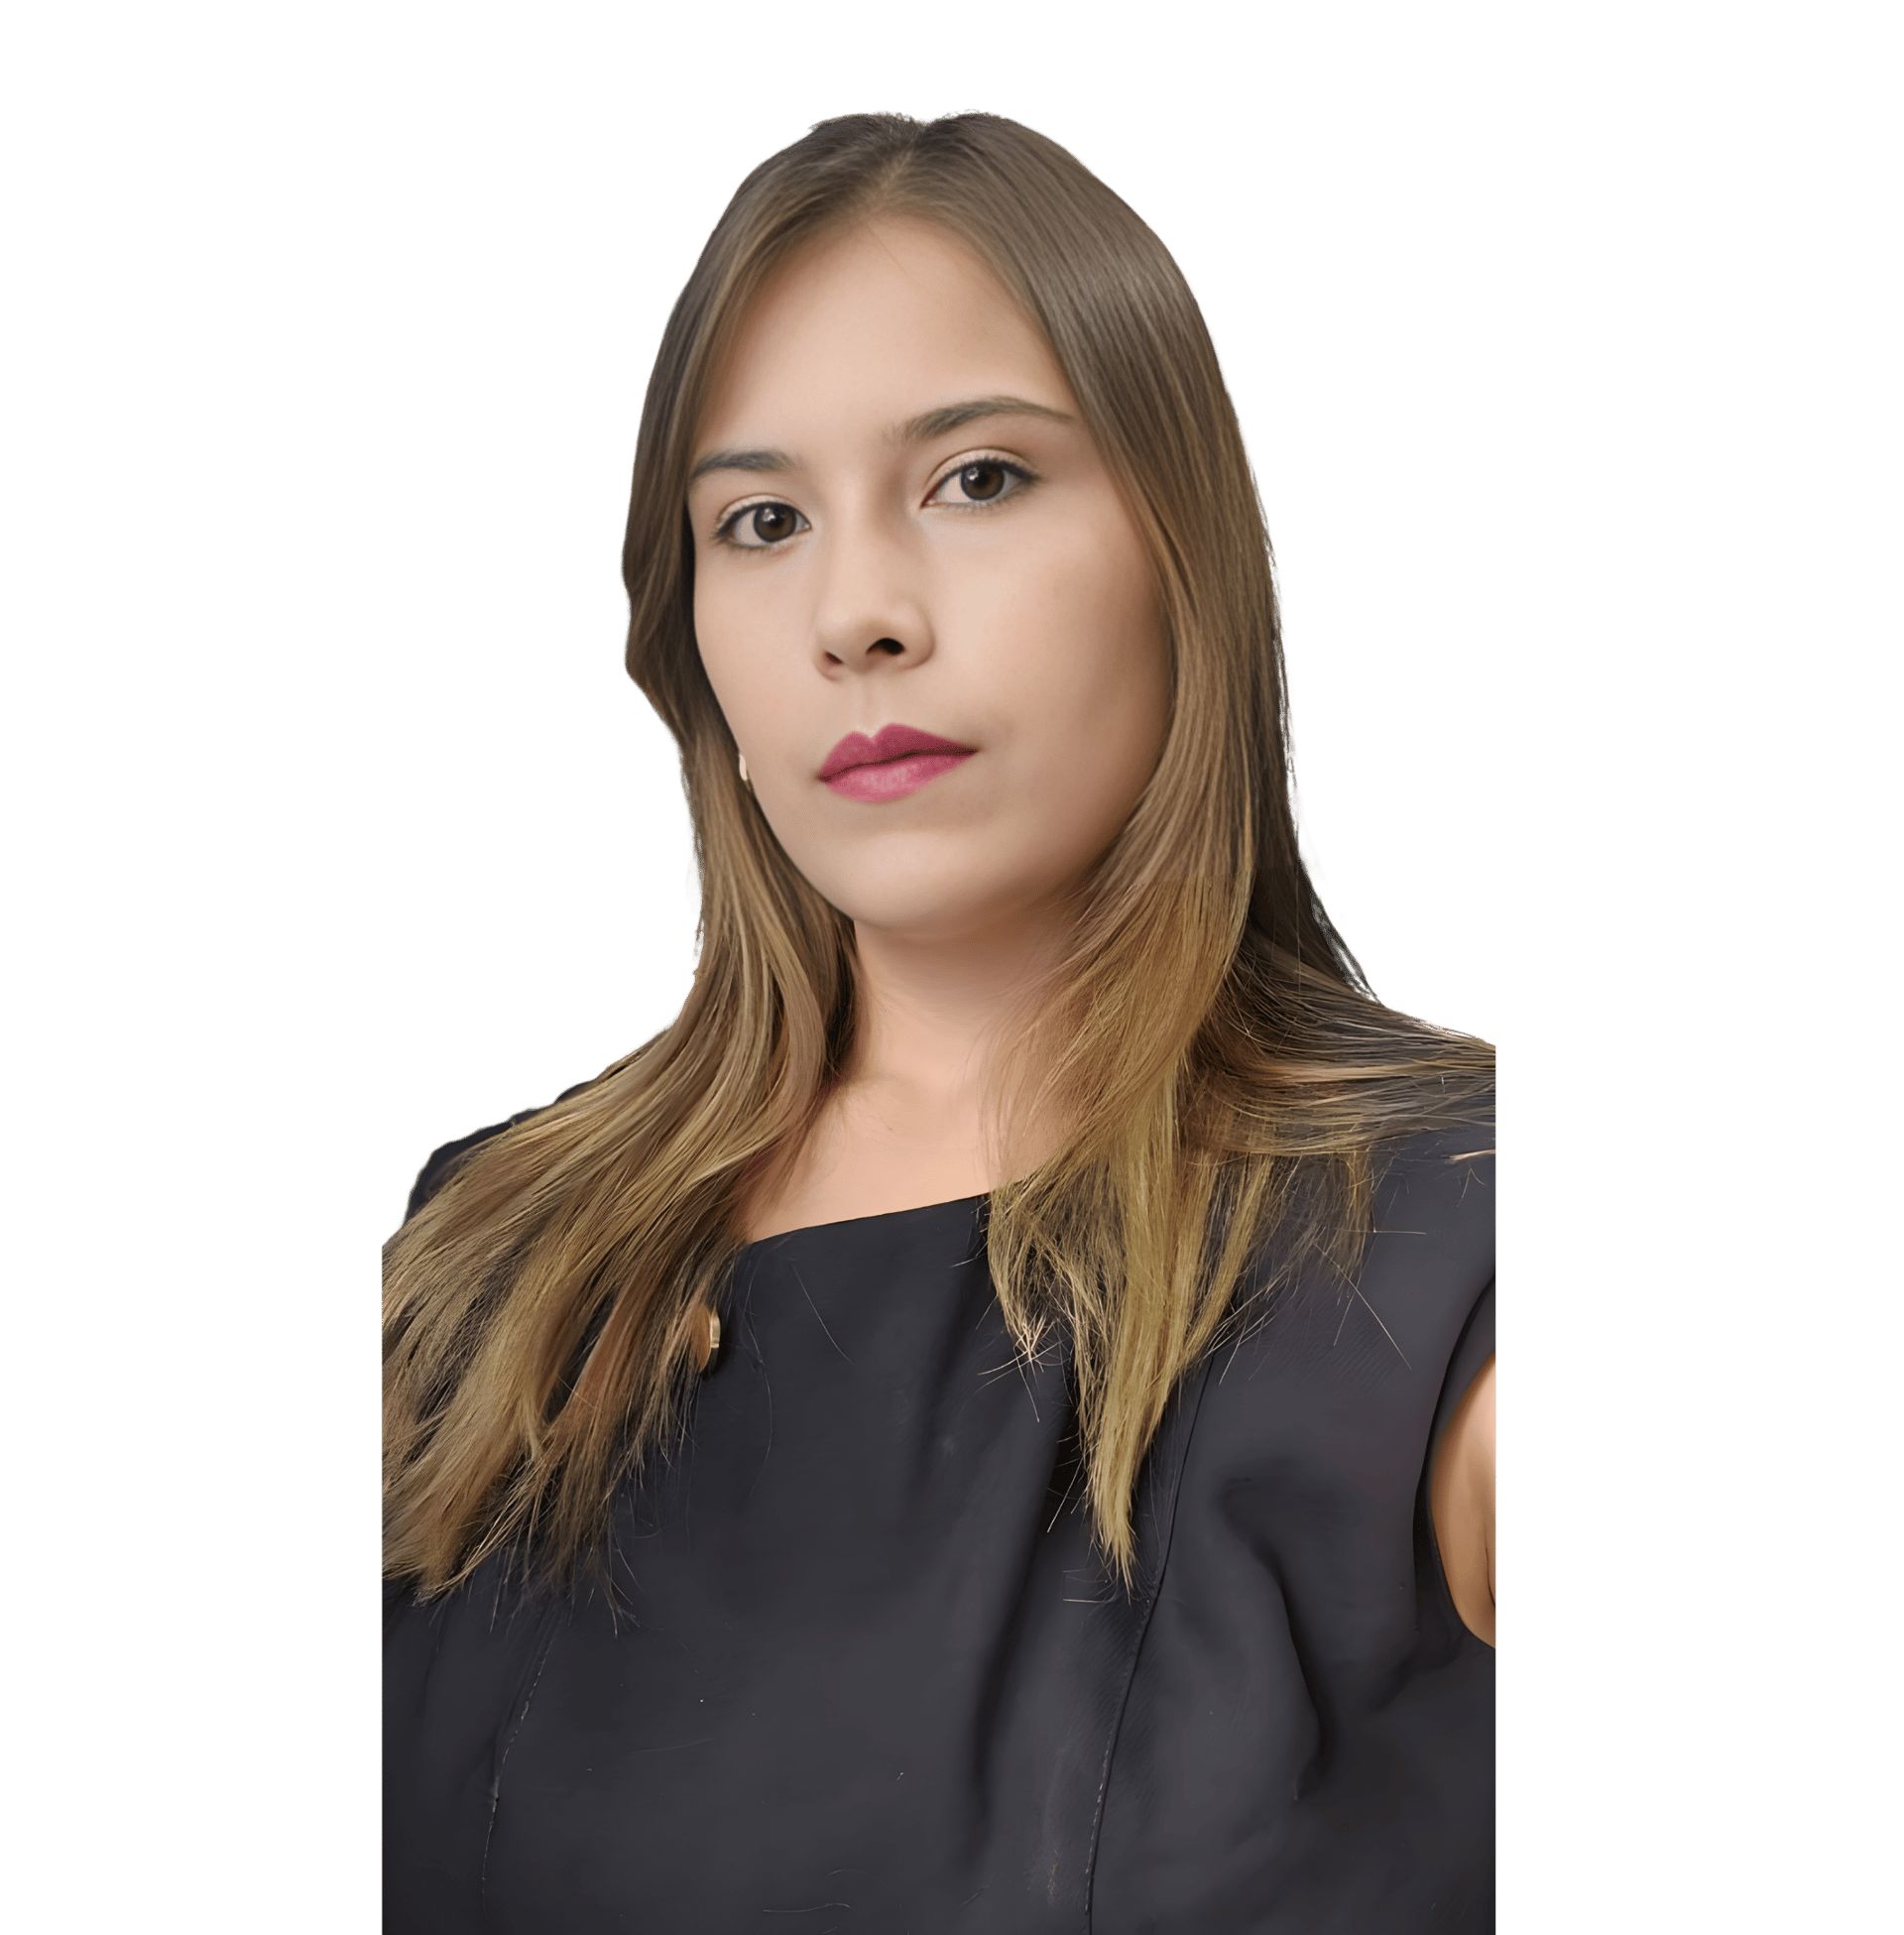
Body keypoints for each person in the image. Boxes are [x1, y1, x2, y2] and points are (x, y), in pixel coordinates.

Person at [382, 108, 1497, 1933]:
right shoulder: (479, 1248)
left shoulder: (1457, 1233)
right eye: (761, 521)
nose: (856, 615)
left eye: (978, 478)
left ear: (1184, 552)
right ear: (700, 659)